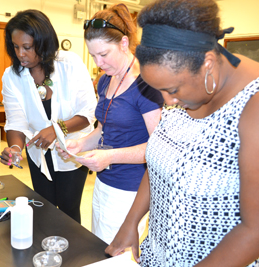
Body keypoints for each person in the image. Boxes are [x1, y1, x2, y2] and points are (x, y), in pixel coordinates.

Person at [105, 0, 259, 266]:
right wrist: (131, 222)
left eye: (172, 90)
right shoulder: (185, 92)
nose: (167, 101)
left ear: (207, 64)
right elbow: (161, 161)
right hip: (158, 255)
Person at [57, 3, 164, 245]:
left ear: (124, 44)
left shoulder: (146, 85)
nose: (98, 62)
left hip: (130, 190)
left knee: (116, 254)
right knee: (99, 245)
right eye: (93, 55)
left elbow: (157, 149)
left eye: (103, 54)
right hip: (104, 181)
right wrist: (79, 144)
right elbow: (103, 129)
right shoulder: (106, 81)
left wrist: (110, 157)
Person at [0, 10, 97, 223]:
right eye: (15, 47)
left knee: (68, 209)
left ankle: (73, 255)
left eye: (27, 47)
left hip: (71, 150)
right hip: (39, 152)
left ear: (43, 43)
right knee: (44, 208)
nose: (20, 54)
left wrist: (57, 129)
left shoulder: (69, 64)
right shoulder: (11, 76)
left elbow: (88, 112)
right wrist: (15, 148)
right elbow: (16, 121)